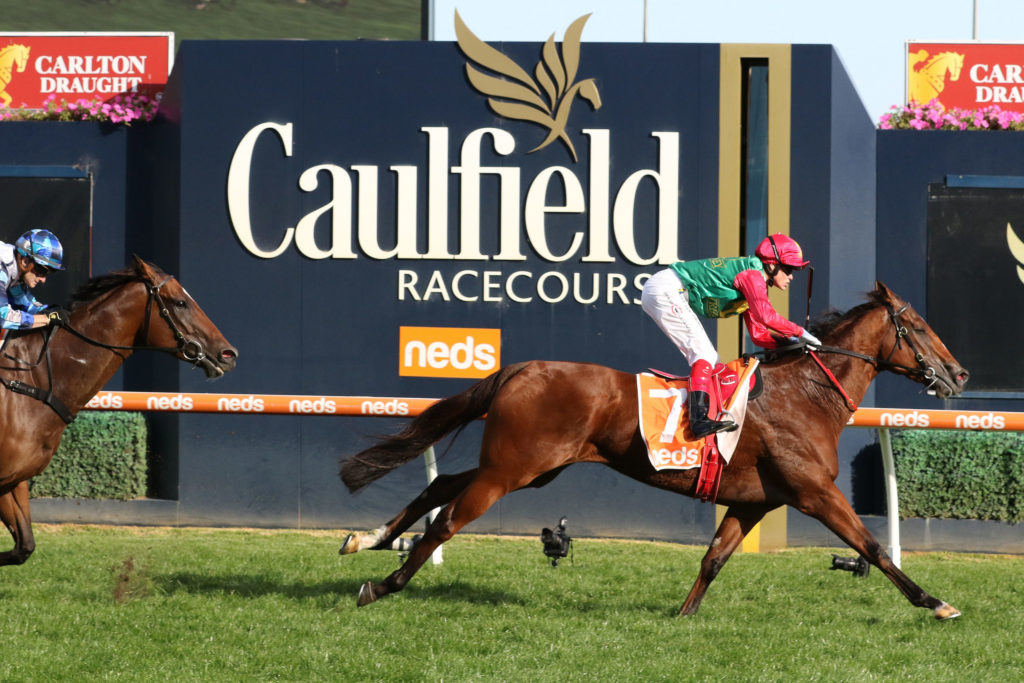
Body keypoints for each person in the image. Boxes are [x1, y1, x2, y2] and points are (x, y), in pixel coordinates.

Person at [641, 233, 822, 439]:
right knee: (705, 354)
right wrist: (800, 332)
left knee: (713, 363)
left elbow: (758, 335)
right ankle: (697, 420)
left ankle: (703, 417)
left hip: (667, 290)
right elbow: (766, 316)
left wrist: (791, 343)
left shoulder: (754, 281)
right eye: (788, 269)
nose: (791, 277)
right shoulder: (752, 275)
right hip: (667, 289)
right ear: (772, 265)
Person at [0, 228, 67, 332]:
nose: (43, 279)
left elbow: (25, 303)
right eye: (42, 270)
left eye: (49, 272)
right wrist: (46, 319)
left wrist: (49, 311)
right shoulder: (2, 266)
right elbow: (3, 318)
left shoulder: (16, 270)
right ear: (25, 261)